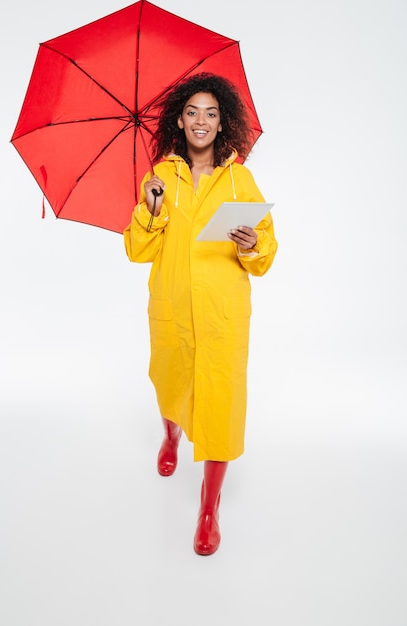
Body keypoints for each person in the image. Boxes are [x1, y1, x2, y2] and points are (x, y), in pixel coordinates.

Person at [123, 73, 278, 556]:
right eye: (193, 112)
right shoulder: (160, 177)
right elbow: (136, 250)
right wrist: (150, 210)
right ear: (179, 119)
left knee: (220, 401)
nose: (201, 121)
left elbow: (266, 253)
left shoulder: (240, 179)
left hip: (221, 312)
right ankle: (170, 433)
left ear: (223, 120)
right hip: (171, 304)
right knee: (171, 377)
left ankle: (208, 508)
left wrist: (253, 246)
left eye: (211, 113)